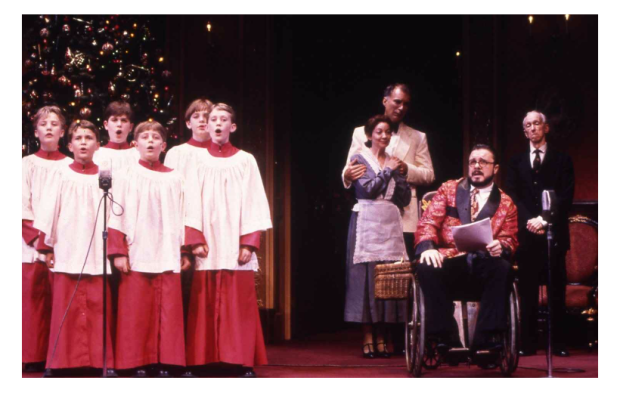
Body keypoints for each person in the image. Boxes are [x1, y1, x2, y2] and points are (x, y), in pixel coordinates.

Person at [185, 104, 272, 379]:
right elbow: (189, 202)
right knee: (203, 300)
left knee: (239, 302)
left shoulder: (246, 160)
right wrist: (194, 239)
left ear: (232, 127)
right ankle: (200, 360)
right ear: (206, 127)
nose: (218, 124)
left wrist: (249, 242)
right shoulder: (197, 162)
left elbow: (255, 201)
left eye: (224, 119)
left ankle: (242, 360)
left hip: (235, 242)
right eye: (213, 120)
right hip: (208, 241)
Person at [414, 144, 519, 366]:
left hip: (484, 265)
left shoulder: (506, 203)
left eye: (483, 162)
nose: (477, 166)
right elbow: (428, 222)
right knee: (425, 266)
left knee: (503, 268)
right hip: (450, 262)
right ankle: (445, 337)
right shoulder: (449, 189)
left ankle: (487, 340)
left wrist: (502, 246)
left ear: (496, 168)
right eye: (473, 162)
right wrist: (428, 247)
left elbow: (510, 239)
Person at [108, 121, 191, 378]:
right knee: (136, 309)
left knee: (168, 309)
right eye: (145, 137)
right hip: (137, 249)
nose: (151, 141)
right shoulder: (125, 174)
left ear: (164, 146)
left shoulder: (176, 177)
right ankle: (136, 361)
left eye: (156, 137)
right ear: (136, 144)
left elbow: (184, 215)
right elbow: (115, 214)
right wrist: (118, 251)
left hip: (167, 250)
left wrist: (184, 251)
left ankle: (166, 361)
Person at [35, 120, 116, 378]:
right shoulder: (61, 173)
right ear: (69, 145)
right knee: (64, 306)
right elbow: (49, 211)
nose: (83, 142)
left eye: (89, 138)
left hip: (96, 249)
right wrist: (46, 248)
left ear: (97, 145)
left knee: (97, 305)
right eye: (78, 138)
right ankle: (59, 361)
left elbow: (115, 213)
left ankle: (102, 361)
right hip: (67, 246)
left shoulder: (106, 175)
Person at [505, 111, 575, 358]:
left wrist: (544, 219)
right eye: (527, 125)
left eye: (536, 123)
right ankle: (528, 342)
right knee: (528, 289)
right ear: (524, 132)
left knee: (556, 288)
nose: (532, 128)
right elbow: (513, 196)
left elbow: (565, 196)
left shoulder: (563, 160)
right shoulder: (515, 162)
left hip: (554, 233)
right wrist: (530, 221)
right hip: (526, 233)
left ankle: (558, 344)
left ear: (545, 128)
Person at [344, 115, 412, 359]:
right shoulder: (359, 159)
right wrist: (387, 171)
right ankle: (368, 338)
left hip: (390, 224)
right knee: (366, 281)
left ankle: (383, 337)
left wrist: (401, 174)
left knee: (387, 280)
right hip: (367, 222)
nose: (384, 136)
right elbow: (367, 189)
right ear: (370, 134)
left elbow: (403, 199)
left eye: (388, 132)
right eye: (379, 132)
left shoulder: (393, 161)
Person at [342, 83, 435, 261]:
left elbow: (429, 174)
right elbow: (348, 167)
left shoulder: (417, 136)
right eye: (397, 102)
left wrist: (406, 168)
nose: (401, 108)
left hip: (404, 214)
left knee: (399, 273)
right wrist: (347, 175)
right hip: (371, 215)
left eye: (406, 104)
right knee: (371, 269)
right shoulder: (361, 133)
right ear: (385, 101)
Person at [21, 106, 73, 373]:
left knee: (59, 300)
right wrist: (38, 242)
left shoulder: (70, 166)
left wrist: (54, 242)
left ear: (63, 132)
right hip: (30, 246)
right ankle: (32, 355)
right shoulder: (25, 164)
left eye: (55, 124)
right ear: (36, 130)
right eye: (44, 123)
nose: (49, 127)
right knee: (32, 302)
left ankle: (59, 356)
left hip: (62, 245)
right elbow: (23, 207)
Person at [93, 101, 139, 172]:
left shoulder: (139, 155)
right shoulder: (96, 154)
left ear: (130, 127)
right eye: (114, 120)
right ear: (106, 125)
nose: (119, 124)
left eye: (124, 120)